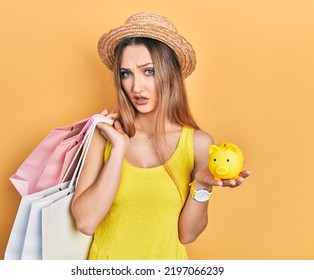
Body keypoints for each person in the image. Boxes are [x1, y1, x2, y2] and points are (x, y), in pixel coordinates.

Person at [71, 12, 250, 260]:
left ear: (169, 73)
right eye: (126, 73)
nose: (136, 87)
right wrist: (119, 148)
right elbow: (85, 222)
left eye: (148, 71)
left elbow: (187, 235)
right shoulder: (105, 136)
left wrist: (201, 186)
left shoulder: (198, 144)